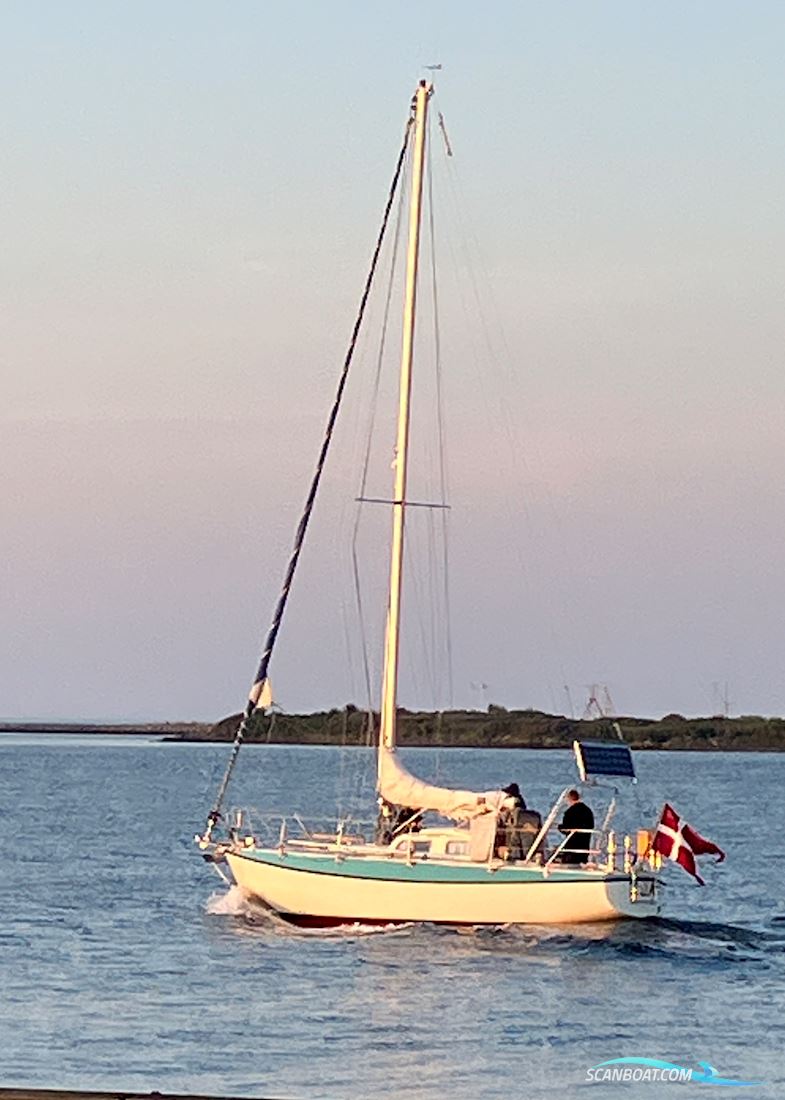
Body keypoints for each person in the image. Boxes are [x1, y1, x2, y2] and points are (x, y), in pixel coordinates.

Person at [498, 783, 542, 861]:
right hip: (521, 827)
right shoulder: (521, 802)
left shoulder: (514, 802)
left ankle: (512, 853)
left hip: (517, 827)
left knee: (514, 835)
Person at [558, 789, 595, 864]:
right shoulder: (588, 811)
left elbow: (566, 828)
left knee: (570, 863)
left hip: (572, 846)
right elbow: (591, 825)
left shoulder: (570, 812)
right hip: (584, 845)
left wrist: (560, 827)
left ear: (569, 799)